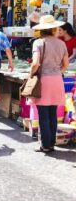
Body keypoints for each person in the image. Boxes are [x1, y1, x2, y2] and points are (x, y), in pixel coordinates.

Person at [29, 15, 69, 153]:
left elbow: (35, 63)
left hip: (44, 81)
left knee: (43, 115)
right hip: (57, 80)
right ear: (54, 28)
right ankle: (51, 143)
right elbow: (66, 64)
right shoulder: (61, 43)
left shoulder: (38, 43)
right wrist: (57, 71)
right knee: (53, 113)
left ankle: (45, 145)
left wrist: (31, 75)